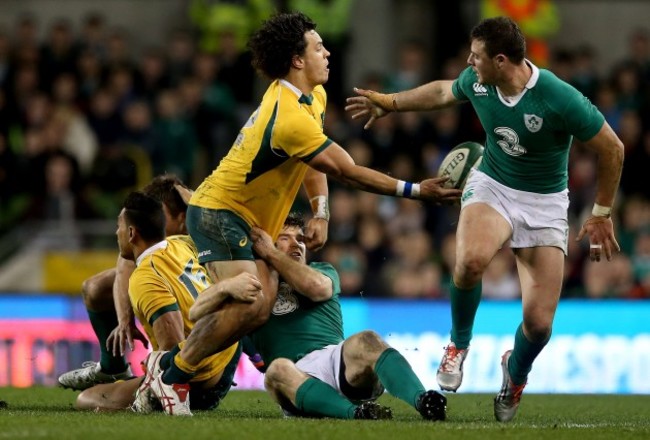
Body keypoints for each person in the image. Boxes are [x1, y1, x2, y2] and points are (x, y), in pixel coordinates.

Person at [138, 11, 461, 416]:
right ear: (296, 59)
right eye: (318, 46)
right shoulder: (288, 116)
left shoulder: (311, 98)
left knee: (255, 302)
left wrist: (321, 210)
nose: (327, 52)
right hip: (220, 211)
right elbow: (344, 169)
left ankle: (179, 362)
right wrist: (415, 190)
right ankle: (172, 373)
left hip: (245, 217)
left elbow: (311, 162)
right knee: (254, 302)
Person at [346, 16, 624, 422]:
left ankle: (515, 374)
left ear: (500, 60)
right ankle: (458, 345)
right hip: (493, 183)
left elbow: (612, 148)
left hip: (545, 203)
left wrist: (601, 212)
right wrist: (390, 102)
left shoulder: (558, 98)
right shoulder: (479, 80)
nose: (468, 62)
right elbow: (444, 90)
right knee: (470, 260)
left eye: (476, 57)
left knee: (539, 325)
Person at [190, 212, 447, 421]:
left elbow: (317, 287)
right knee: (275, 371)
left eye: (300, 239)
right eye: (285, 238)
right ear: (265, 244)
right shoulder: (249, 287)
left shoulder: (321, 270)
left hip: (337, 361)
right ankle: (357, 415)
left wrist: (271, 253)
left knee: (366, 339)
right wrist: (224, 288)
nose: (296, 244)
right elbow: (195, 313)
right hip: (296, 377)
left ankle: (424, 400)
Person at [72, 191, 259, 414]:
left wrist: (158, 372)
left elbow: (175, 347)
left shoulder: (144, 278)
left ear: (131, 233)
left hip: (202, 381)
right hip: (228, 352)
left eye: (119, 227)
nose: (116, 232)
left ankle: (148, 387)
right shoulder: (180, 244)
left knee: (88, 398)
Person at [58, 174, 189, 390]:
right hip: (165, 291)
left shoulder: (199, 234)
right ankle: (112, 367)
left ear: (182, 218)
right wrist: (125, 321)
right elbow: (123, 270)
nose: (155, 220)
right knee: (95, 288)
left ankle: (178, 377)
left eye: (161, 214)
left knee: (90, 401)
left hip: (198, 313)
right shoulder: (146, 243)